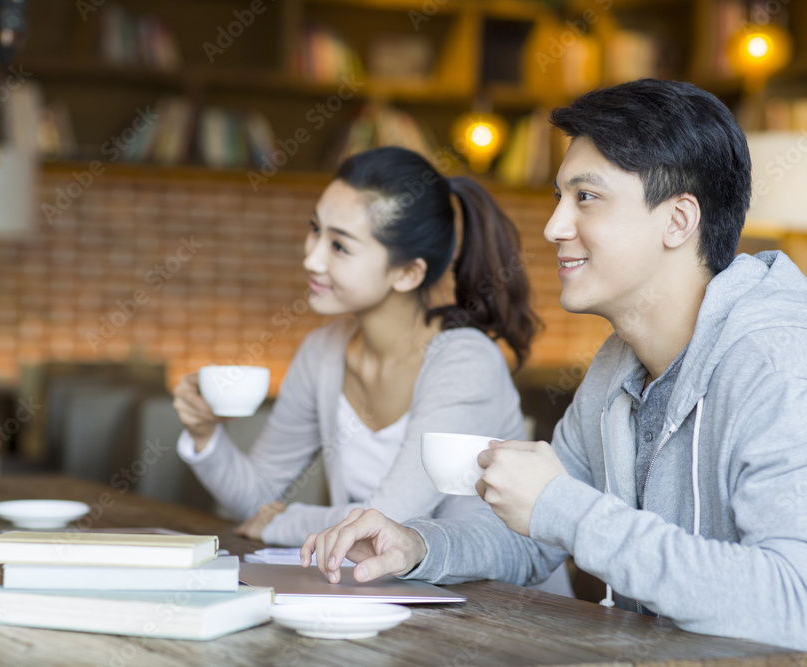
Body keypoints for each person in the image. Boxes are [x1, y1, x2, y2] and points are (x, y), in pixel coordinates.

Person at [302, 79, 807, 665]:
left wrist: (564, 507)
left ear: (679, 220)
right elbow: (532, 534)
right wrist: (419, 545)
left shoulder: (782, 371)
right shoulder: (619, 363)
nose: (553, 226)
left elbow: (796, 607)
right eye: (558, 196)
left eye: (586, 197)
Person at [173, 146, 548, 555]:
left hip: (500, 607)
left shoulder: (465, 363)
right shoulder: (322, 352)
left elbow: (386, 526)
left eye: (340, 246)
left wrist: (285, 521)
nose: (311, 258)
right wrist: (205, 435)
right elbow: (254, 503)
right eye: (315, 229)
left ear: (407, 272)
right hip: (376, 592)